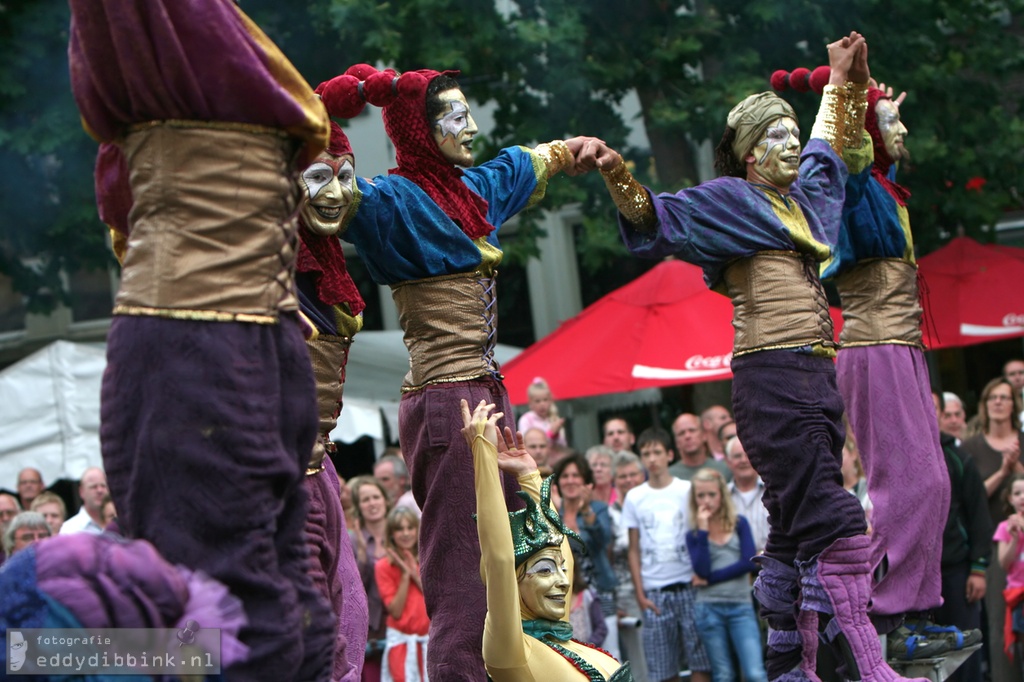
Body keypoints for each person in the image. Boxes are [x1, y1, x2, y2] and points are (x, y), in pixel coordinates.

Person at [601, 32, 925, 681]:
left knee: (793, 531)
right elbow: (654, 219)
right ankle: (870, 667)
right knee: (835, 522)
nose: (787, 142)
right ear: (748, 154)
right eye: (774, 134)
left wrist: (846, 84)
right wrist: (616, 173)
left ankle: (790, 665)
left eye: (790, 131)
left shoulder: (800, 204)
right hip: (773, 381)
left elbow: (828, 154)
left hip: (811, 375)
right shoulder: (728, 202)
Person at [316, 64, 615, 681]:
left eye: (467, 111)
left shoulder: (473, 189)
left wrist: (572, 150)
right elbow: (331, 194)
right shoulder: (391, 201)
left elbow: (521, 164)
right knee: (461, 565)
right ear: (419, 132)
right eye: (453, 116)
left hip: (486, 394)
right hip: (447, 399)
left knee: (511, 551)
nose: (470, 126)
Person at [67, 1, 335, 677]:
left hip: (233, 346)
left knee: (273, 615)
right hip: (209, 345)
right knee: (240, 618)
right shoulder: (166, 26)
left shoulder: (197, 29)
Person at [464, 398, 630, 680]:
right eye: (545, 570)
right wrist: (483, 450)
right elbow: (500, 559)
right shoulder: (512, 652)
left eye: (560, 569)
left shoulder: (558, 633)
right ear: (513, 581)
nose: (564, 581)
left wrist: (530, 474)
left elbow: (561, 545)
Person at [296, 119, 371, 682]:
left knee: (347, 610)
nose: (335, 193)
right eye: (317, 176)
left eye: (345, 176)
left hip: (316, 464)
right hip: (272, 472)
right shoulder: (259, 257)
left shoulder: (328, 257)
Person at [624, 427, 711, 682]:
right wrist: (640, 594)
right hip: (654, 592)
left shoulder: (686, 489)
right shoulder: (634, 496)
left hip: (688, 585)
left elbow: (700, 532)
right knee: (662, 668)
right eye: (646, 453)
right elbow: (633, 548)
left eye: (657, 452)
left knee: (701, 660)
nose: (652, 458)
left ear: (669, 455)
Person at [962, 377, 1024, 682]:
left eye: (1005, 397)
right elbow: (971, 498)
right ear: (985, 406)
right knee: (1002, 623)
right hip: (996, 545)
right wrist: (1003, 471)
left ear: (1014, 404)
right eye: (992, 398)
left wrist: (1018, 468)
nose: (998, 402)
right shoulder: (972, 446)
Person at [685, 468, 767, 682]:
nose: (707, 501)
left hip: (740, 606)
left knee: (755, 673)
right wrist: (703, 530)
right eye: (701, 495)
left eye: (711, 494)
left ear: (721, 494)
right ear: (694, 499)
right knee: (724, 675)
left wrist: (710, 580)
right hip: (708, 607)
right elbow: (701, 570)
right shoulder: (694, 533)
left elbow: (748, 563)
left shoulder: (739, 523)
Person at [933, 391, 990, 682]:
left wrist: (978, 567)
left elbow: (979, 515)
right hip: (918, 575)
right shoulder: (903, 454)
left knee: (964, 652)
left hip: (957, 571)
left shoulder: (957, 456)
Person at [554, 454, 618, 618]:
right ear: (558, 482)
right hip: (567, 594)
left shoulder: (598, 509)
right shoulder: (553, 514)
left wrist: (586, 510)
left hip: (600, 590)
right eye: (565, 476)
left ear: (586, 481)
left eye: (576, 475)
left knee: (607, 642)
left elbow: (603, 541)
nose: (570, 481)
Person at [375, 507, 429, 682]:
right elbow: (396, 612)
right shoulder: (383, 566)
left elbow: (434, 600)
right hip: (401, 644)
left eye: (410, 527)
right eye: (399, 529)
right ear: (391, 534)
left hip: (429, 642)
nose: (406, 533)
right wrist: (405, 577)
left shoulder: (429, 560)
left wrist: (414, 572)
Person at [351, 476, 393, 682]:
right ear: (359, 507)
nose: (372, 503)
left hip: (400, 622)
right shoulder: (352, 539)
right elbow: (352, 585)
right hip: (371, 629)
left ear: (385, 500)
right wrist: (360, 554)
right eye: (366, 499)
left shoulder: (404, 531)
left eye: (376, 497)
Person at [996, 474, 1024, 667]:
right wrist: (1015, 538)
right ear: (1010, 498)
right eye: (1017, 493)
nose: (1022, 497)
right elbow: (1004, 563)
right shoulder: (1005, 527)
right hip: (1018, 596)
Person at [723, 436, 769, 556]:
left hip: (774, 565)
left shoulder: (773, 492)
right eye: (737, 456)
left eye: (748, 454)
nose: (743, 460)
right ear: (728, 462)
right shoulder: (722, 497)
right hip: (737, 570)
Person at [668, 413, 731, 482]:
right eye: (681, 433)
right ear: (676, 442)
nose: (687, 436)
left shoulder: (725, 470)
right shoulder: (669, 476)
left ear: (704, 435)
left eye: (692, 430)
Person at [518, 377, 567, 447]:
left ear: (550, 401)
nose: (542, 404)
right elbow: (528, 444)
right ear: (530, 404)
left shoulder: (554, 419)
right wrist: (551, 434)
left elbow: (563, 446)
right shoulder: (526, 419)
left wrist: (556, 435)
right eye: (537, 401)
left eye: (545, 400)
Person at [60, 467, 108, 535]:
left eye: (103, 486)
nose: (99, 490)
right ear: (81, 491)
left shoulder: (121, 524)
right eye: (93, 487)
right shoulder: (69, 530)